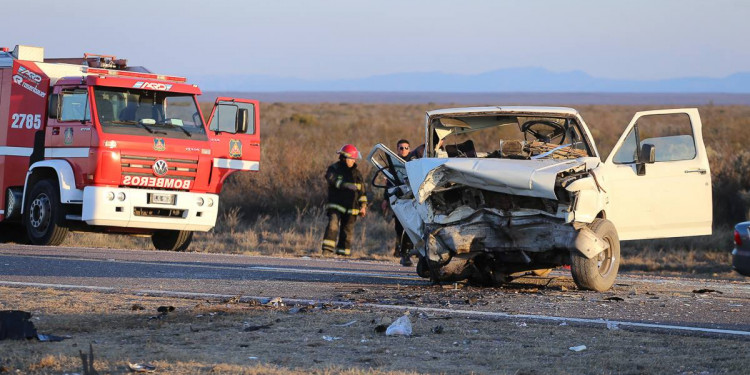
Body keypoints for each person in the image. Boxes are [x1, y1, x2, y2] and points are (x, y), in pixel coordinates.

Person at [321, 144, 368, 256]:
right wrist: (346, 185)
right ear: (344, 157)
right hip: (336, 204)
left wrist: (363, 206)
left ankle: (343, 254)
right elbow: (331, 179)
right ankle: (327, 251)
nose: (353, 161)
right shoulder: (334, 169)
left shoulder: (357, 174)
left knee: (347, 231)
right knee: (333, 225)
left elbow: (362, 192)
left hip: (352, 207)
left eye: (354, 158)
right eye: (351, 158)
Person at [382, 139, 417, 266]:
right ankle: (399, 250)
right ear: (397, 150)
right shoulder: (393, 164)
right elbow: (388, 184)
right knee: (399, 227)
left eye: (406, 148)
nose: (403, 150)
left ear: (410, 149)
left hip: (411, 200)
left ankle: (407, 253)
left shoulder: (413, 163)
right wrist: (385, 199)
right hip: (398, 199)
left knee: (410, 227)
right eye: (401, 148)